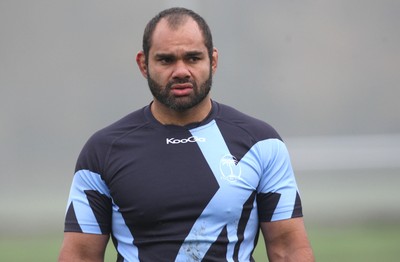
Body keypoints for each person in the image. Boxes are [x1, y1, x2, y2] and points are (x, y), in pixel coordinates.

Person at [58, 7, 314, 262]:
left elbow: (289, 250)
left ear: (213, 61)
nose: (181, 71)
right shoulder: (103, 151)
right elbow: (80, 256)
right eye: (166, 60)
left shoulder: (261, 143)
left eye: (193, 58)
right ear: (143, 64)